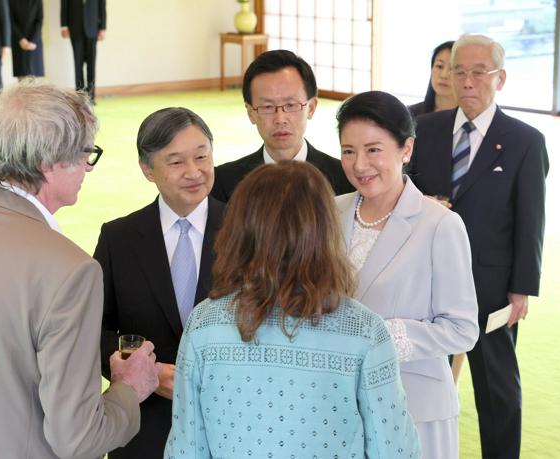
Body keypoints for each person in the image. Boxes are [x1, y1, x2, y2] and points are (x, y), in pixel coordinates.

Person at [0, 81, 160, 458]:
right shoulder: (70, 270)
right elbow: (77, 437)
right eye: (85, 153)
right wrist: (129, 389)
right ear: (49, 162)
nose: (88, 168)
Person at [165, 160, 420, 458]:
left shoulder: (203, 324)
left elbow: (185, 449)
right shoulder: (365, 331)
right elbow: (396, 450)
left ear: (239, 229)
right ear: (324, 229)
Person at [409, 34, 549, 458]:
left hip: (490, 287)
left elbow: (531, 221)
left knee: (497, 391)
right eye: (459, 71)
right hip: (427, 279)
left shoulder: (525, 140)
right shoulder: (425, 129)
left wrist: (521, 289)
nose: (467, 81)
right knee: (423, 382)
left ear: (499, 78)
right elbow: (403, 191)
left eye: (478, 72)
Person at [335, 90, 479, 458]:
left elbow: (462, 329)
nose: (359, 164)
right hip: (338, 407)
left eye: (373, 149)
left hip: (414, 407)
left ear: (407, 149)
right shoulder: (329, 213)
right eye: (348, 151)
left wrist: (383, 337)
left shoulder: (440, 225)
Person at [96, 107, 226, 457]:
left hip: (229, 424)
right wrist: (146, 372)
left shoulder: (248, 231)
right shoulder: (119, 238)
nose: (194, 172)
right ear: (147, 169)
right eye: (176, 162)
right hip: (144, 429)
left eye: (202, 156)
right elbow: (92, 330)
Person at [210, 49, 353, 202]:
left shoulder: (345, 177)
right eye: (267, 107)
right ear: (251, 113)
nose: (280, 119)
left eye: (290, 105)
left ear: (311, 108)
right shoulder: (224, 182)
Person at [61, 0, 106, 102]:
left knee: (91, 64)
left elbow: (102, 6)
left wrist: (103, 27)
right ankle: (80, 97)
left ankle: (91, 96)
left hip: (93, 27)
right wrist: (64, 26)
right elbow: (64, 4)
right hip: (75, 27)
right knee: (78, 64)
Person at [409, 40, 456, 117]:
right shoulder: (409, 115)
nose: (444, 75)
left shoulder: (470, 118)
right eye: (439, 66)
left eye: (453, 69)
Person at [9, 0, 45, 79]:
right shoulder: (11, 1)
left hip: (34, 42)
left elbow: (39, 20)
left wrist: (33, 41)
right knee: (22, 76)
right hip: (18, 42)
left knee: (35, 77)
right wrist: (21, 39)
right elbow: (10, 21)